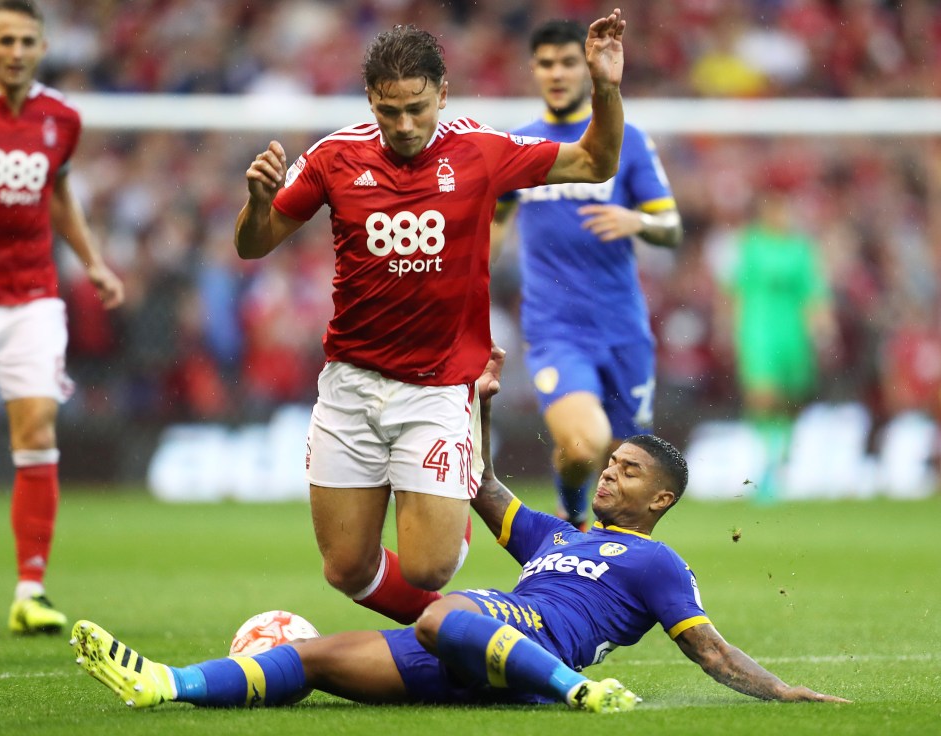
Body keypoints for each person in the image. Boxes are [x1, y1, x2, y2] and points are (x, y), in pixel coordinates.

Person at [70, 347, 849, 712]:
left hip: (525, 637)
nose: (608, 474)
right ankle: (162, 684)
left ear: (661, 502)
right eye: (609, 463)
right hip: (475, 647)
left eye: (628, 472)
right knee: (310, 658)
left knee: (444, 609)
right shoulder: (555, 535)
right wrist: (472, 400)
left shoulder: (656, 564)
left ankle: (577, 692)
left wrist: (785, 693)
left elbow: (706, 647)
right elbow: (475, 482)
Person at [232, 10, 628, 625]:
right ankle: (461, 631)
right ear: (371, 100)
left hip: (439, 386)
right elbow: (253, 244)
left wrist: (604, 88)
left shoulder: (480, 149)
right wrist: (257, 205)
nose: (405, 125)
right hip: (350, 384)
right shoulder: (333, 158)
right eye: (389, 111)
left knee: (428, 567)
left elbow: (595, 162)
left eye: (418, 107)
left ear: (443, 93)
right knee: (346, 569)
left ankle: (454, 568)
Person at [490, 19, 683, 531]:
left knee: (625, 468)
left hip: (622, 328)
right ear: (534, 69)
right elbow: (491, 232)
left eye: (568, 61)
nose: (557, 72)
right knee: (582, 444)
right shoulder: (521, 146)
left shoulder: (630, 142)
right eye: (547, 62)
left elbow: (672, 227)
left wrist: (636, 220)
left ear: (587, 65)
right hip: (556, 329)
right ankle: (570, 518)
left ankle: (598, 569)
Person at [0, 0, 124, 634]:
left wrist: (92, 262)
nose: (16, 51)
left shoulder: (60, 118)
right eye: (5, 40)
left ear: (42, 48)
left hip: (34, 296)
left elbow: (59, 192)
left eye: (27, 41)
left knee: (37, 429)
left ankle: (30, 589)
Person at [720, 185, 836, 502]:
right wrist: (727, 328)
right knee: (763, 396)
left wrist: (823, 326)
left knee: (789, 402)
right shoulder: (750, 244)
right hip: (757, 331)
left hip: (792, 333)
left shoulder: (801, 248)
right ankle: (767, 466)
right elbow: (736, 292)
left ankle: (778, 460)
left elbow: (813, 292)